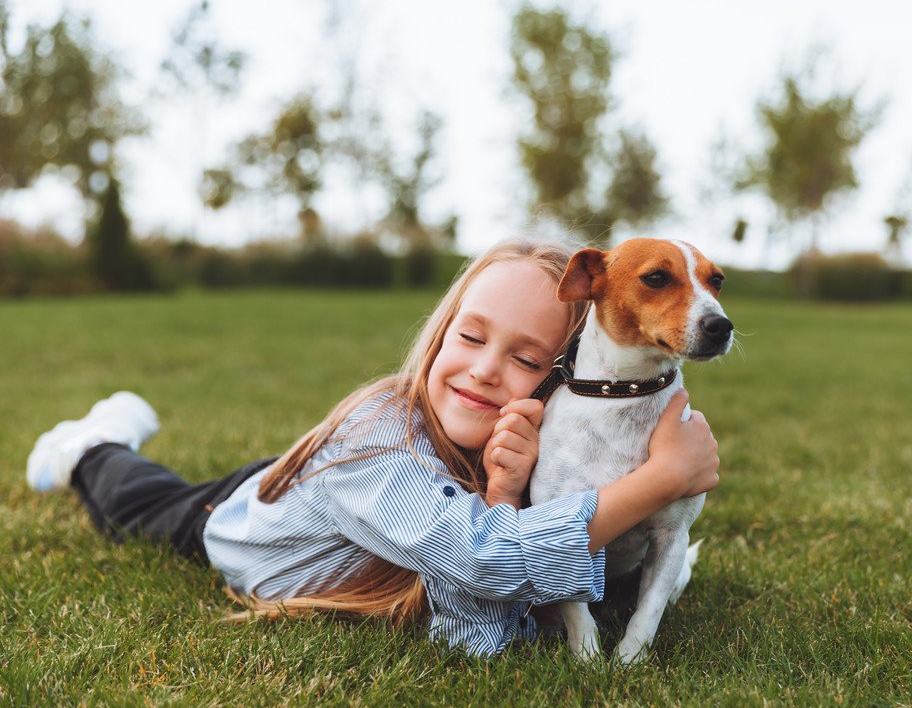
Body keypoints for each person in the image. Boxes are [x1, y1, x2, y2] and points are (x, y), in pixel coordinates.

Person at [25, 238, 720, 657]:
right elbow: (482, 560)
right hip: (243, 521)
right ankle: (96, 443)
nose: (483, 370)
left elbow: (477, 634)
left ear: (561, 377)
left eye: (526, 357)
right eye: (471, 338)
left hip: (349, 497)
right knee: (138, 501)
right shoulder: (380, 450)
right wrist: (660, 481)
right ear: (441, 331)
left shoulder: (527, 443)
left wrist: (504, 493)